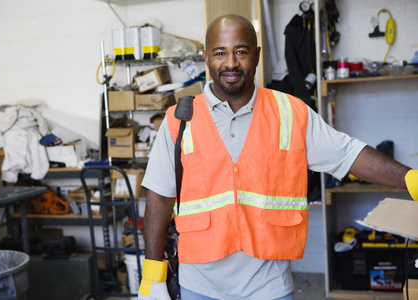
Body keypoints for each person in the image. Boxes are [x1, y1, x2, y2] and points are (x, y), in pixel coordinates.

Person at [137, 14, 418, 300]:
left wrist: (410, 179)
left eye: (241, 51)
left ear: (257, 55)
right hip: (198, 287)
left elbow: (348, 154)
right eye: (220, 52)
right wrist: (153, 274)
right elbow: (159, 196)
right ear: (207, 57)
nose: (231, 63)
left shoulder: (290, 113)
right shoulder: (179, 120)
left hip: (269, 289)